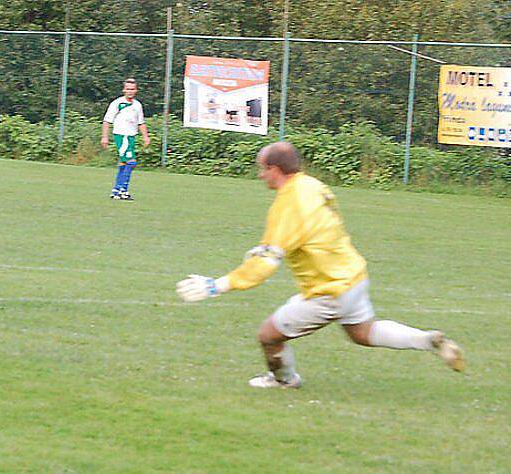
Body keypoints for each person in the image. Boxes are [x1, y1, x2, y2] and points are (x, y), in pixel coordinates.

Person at [176, 142, 465, 389]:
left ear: (275, 170)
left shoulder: (286, 206)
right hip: (354, 276)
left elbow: (264, 267)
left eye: (262, 169)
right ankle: (427, 340)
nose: (260, 175)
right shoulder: (313, 185)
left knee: (268, 336)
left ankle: (283, 380)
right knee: (362, 333)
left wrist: (216, 285)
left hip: (329, 290)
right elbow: (319, 226)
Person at [101, 78, 150, 201]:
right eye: (128, 89)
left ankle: (116, 190)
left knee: (123, 163)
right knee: (131, 162)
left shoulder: (137, 105)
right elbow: (107, 121)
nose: (130, 91)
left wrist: (145, 136)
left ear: (136, 90)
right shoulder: (117, 103)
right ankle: (123, 190)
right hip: (121, 136)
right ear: (124, 90)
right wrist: (105, 137)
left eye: (132, 89)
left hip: (131, 137)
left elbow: (141, 123)